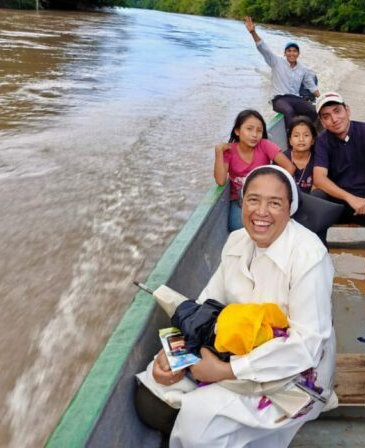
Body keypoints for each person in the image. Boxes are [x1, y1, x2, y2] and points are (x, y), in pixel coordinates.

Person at [139, 165, 336, 447]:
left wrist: (226, 372)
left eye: (274, 203)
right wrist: (173, 354)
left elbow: (307, 345)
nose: (261, 212)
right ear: (242, 201)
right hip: (232, 348)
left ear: (289, 208)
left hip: (294, 374)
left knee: (198, 423)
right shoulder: (236, 242)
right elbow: (203, 308)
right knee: (151, 398)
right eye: (253, 200)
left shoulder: (309, 256)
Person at [312, 92, 365, 246]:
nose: (334, 119)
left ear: (347, 110)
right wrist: (350, 198)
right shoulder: (322, 141)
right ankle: (318, 255)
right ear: (322, 121)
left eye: (337, 111)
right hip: (339, 204)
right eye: (327, 116)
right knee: (316, 200)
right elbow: (319, 178)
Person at [214, 109, 295, 231]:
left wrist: (274, 188)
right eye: (249, 129)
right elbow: (220, 181)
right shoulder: (229, 151)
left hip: (266, 195)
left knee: (276, 224)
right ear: (237, 131)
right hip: (240, 200)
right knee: (237, 227)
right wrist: (219, 153)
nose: (254, 134)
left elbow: (289, 167)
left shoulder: (265, 145)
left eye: (259, 130)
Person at [244, 16, 320, 128]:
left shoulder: (303, 69)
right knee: (289, 111)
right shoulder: (276, 62)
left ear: (298, 54)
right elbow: (263, 49)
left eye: (295, 51)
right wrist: (253, 33)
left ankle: (307, 131)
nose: (292, 53)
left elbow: (311, 86)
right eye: (289, 51)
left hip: (295, 98)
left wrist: (323, 98)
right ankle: (291, 138)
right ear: (285, 53)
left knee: (313, 111)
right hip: (279, 99)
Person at [283, 116, 317, 194]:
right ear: (290, 140)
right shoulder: (282, 159)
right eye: (296, 136)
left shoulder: (319, 159)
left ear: (312, 140)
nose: (301, 139)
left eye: (306, 135)